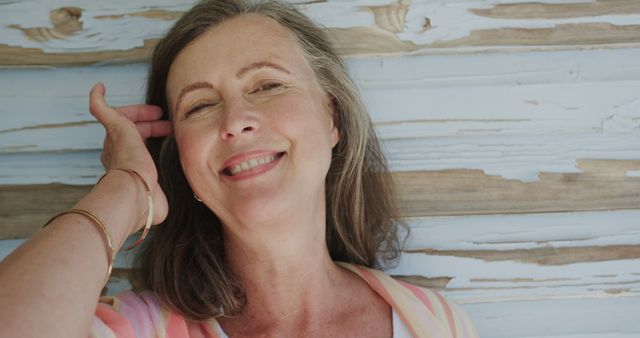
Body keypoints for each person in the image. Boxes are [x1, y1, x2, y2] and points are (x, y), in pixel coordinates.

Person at [0, 0, 478, 337]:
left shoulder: (434, 324)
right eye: (201, 106)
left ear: (332, 118)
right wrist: (126, 187)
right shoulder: (140, 330)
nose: (235, 122)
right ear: (181, 159)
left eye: (267, 85)